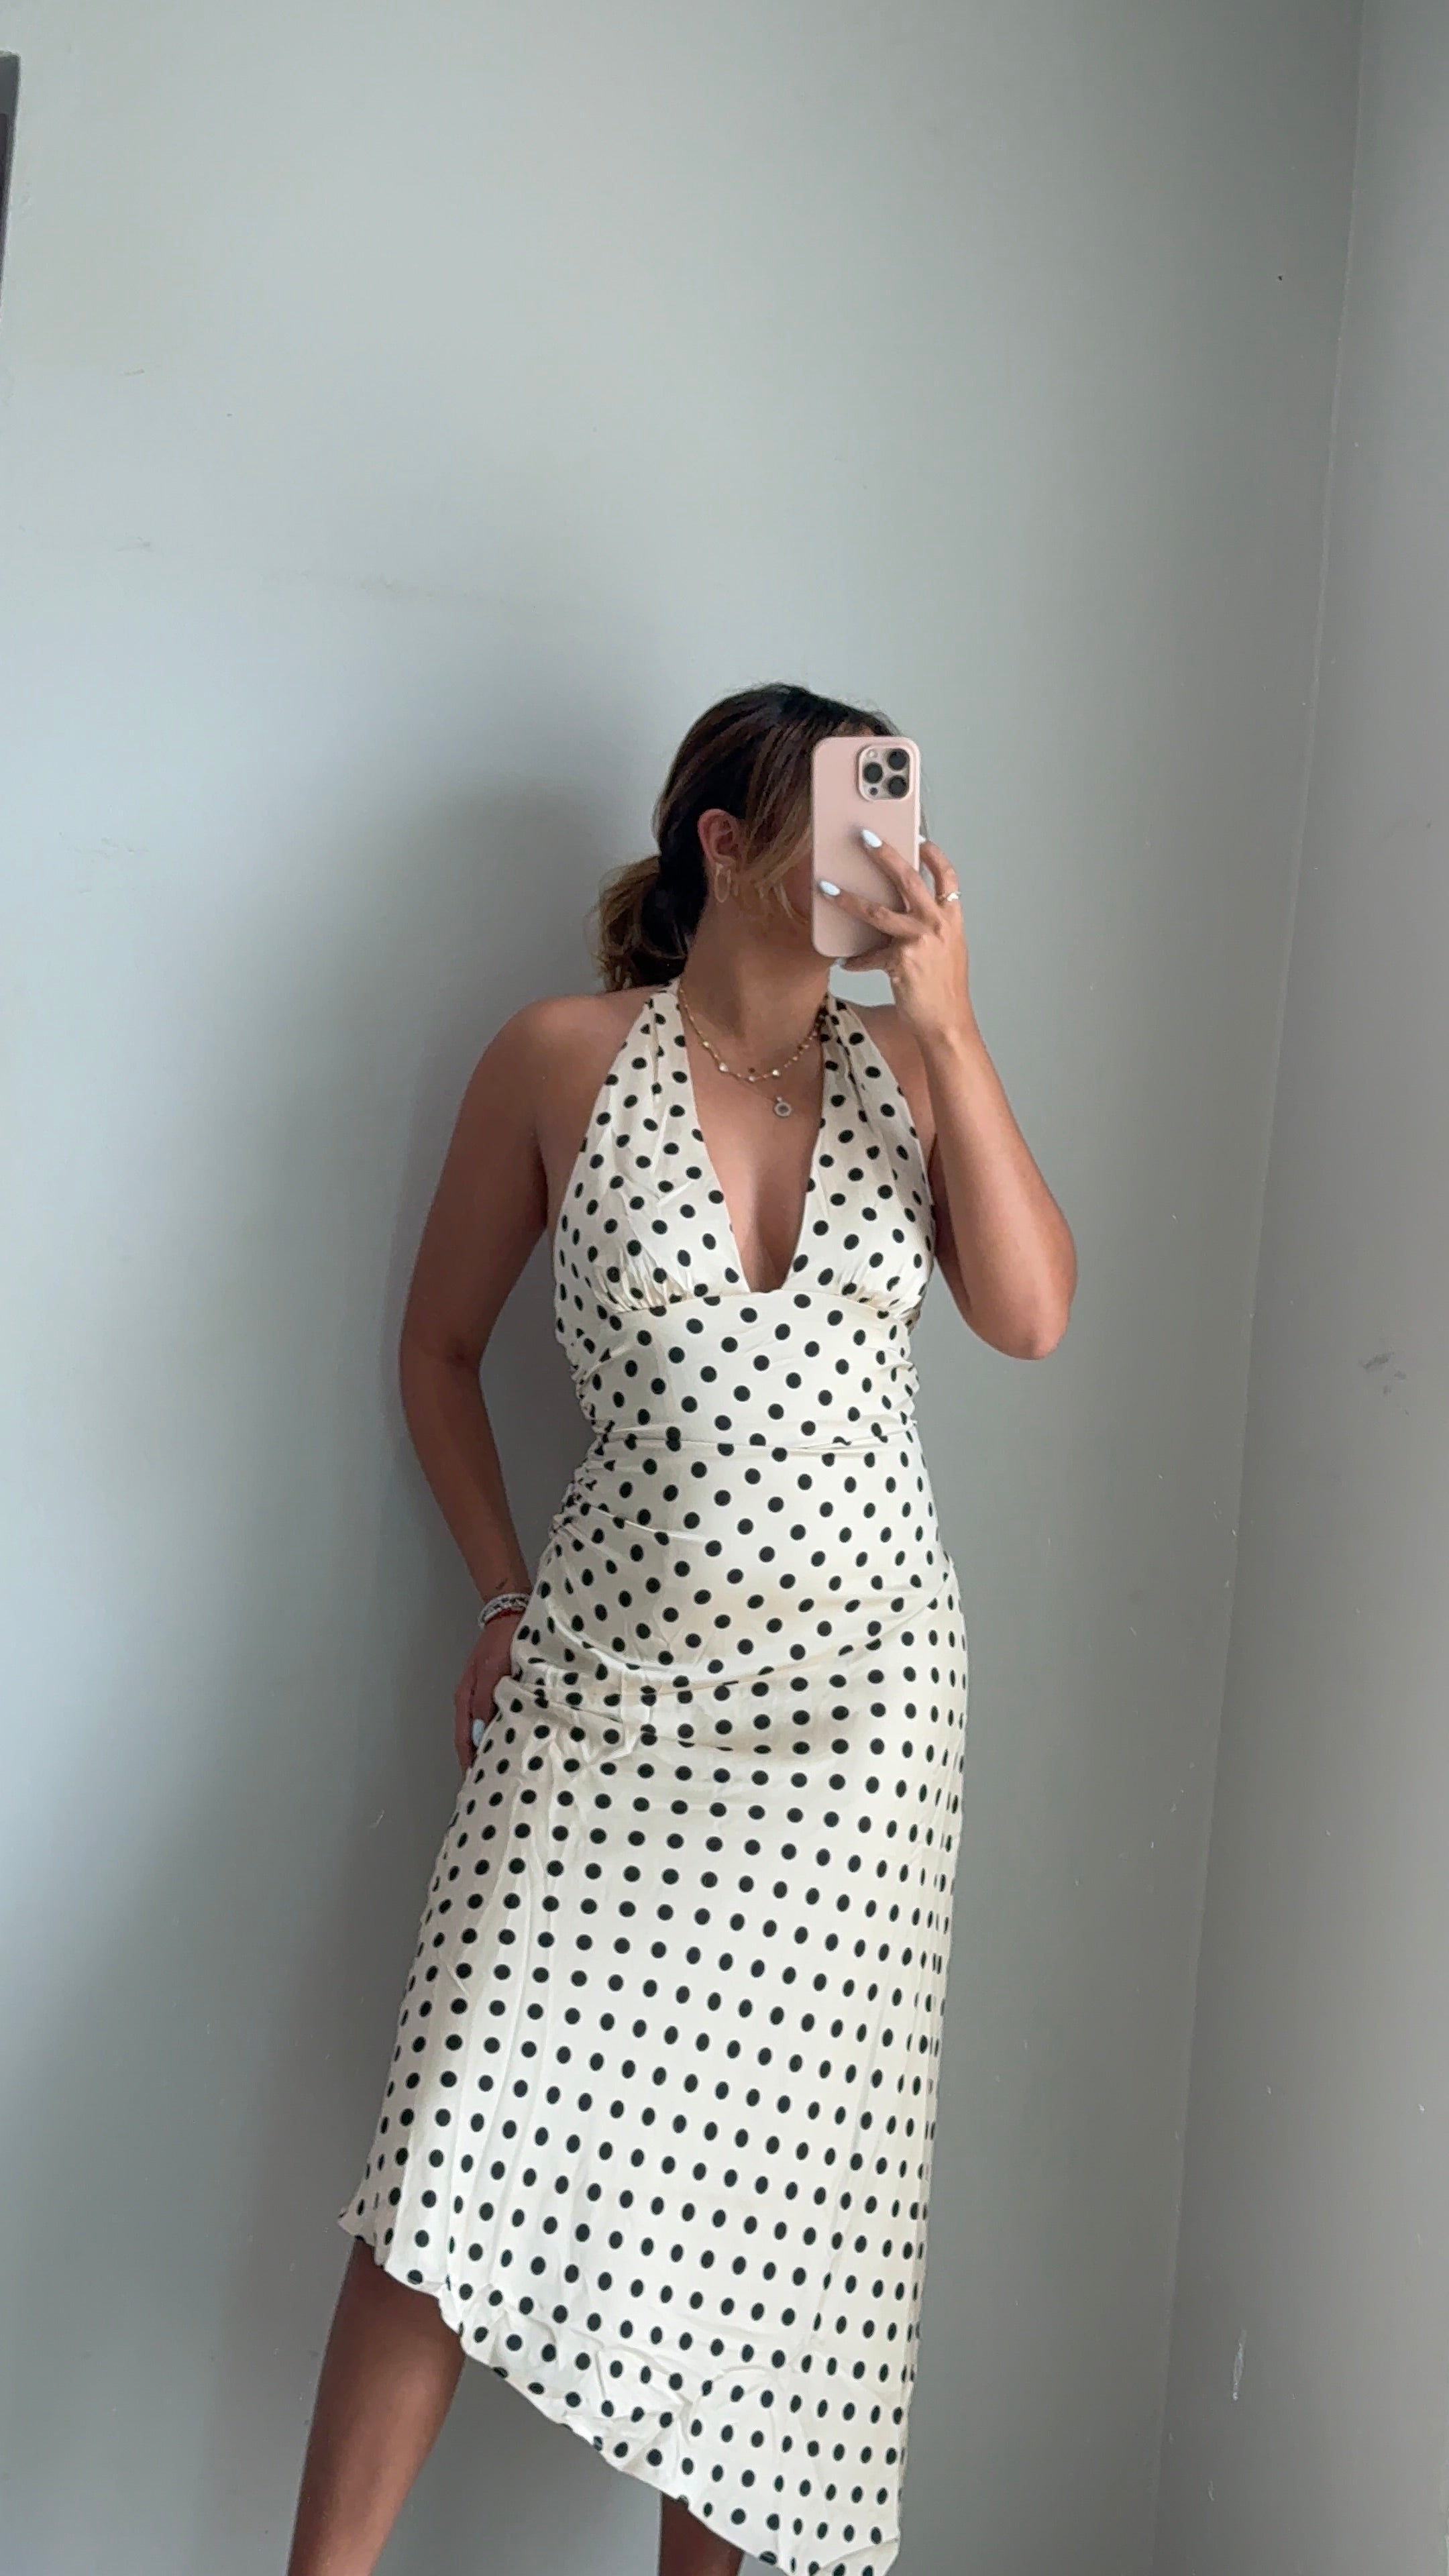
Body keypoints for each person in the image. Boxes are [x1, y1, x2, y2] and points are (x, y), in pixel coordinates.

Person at [285, 682, 1076, 2576]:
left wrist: (953, 1029)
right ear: (726, 843)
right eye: (847, 813)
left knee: (779, 2244)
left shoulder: (914, 1076)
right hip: (607, 1691)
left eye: (900, 809)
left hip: (864, 1719)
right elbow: (437, 1350)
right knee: (453, 2144)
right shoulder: (560, 1058)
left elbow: (1034, 1316)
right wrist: (500, 1588)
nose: (888, 850)